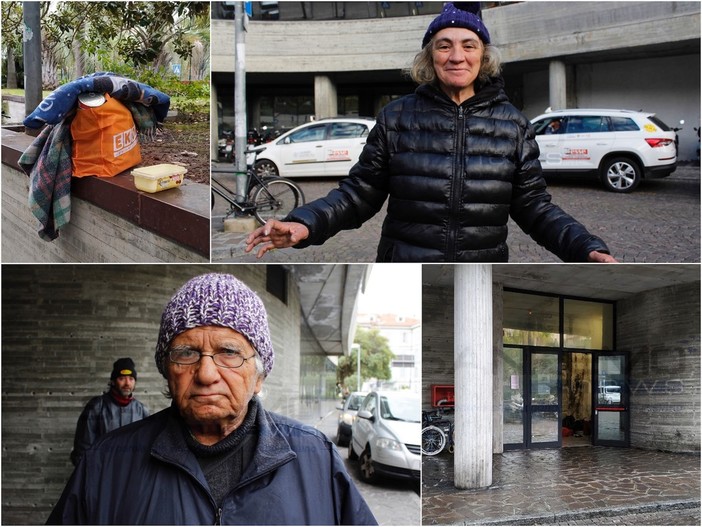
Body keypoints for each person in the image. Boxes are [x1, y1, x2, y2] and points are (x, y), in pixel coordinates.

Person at [246, 2, 617, 263]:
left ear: (483, 56)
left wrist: (583, 247)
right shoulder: (396, 118)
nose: (457, 56)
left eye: (468, 45)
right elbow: (358, 195)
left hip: (481, 266)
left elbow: (535, 207)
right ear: (430, 57)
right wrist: (303, 223)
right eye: (445, 46)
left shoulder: (512, 125)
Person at [48, 273, 377, 525]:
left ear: (259, 376)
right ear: (167, 370)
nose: (206, 374)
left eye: (229, 352)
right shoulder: (106, 463)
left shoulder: (314, 457)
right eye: (187, 353)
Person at [70, 357, 149, 466]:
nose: (127, 383)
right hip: (102, 473)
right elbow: (83, 447)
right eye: (122, 378)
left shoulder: (141, 411)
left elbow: (145, 448)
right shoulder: (97, 407)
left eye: (131, 378)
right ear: (112, 381)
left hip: (131, 475)